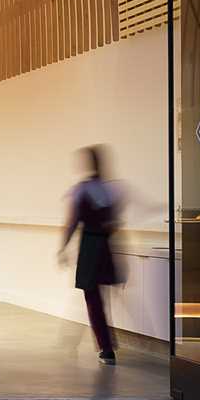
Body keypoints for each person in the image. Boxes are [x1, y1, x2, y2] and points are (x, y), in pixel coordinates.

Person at [58, 145, 123, 365]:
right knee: (101, 298)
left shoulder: (81, 190)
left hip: (89, 246)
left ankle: (106, 347)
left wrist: (62, 247)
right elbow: (114, 223)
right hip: (105, 245)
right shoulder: (111, 190)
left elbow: (72, 222)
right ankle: (106, 344)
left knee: (92, 298)